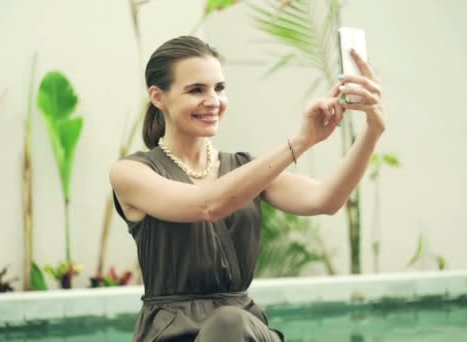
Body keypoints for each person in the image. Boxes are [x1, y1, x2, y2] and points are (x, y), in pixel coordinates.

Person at [110, 35, 386, 342]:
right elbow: (207, 205)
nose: (213, 100)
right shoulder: (132, 173)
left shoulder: (244, 170)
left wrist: (373, 130)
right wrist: (302, 141)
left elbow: (326, 199)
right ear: (158, 97)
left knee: (229, 324)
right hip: (169, 333)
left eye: (219, 88)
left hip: (243, 331)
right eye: (196, 90)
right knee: (228, 324)